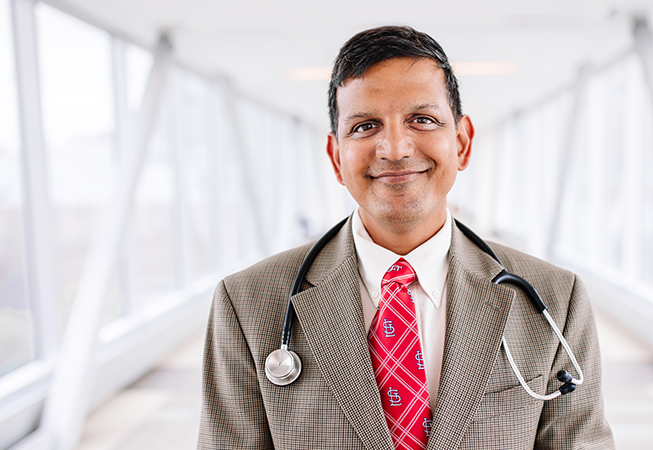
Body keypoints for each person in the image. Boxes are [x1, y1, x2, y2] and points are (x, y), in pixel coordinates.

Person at [198, 26, 614, 450]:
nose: (394, 148)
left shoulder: (555, 298)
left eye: (423, 119)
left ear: (463, 143)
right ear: (336, 157)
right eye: (364, 126)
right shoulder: (246, 303)